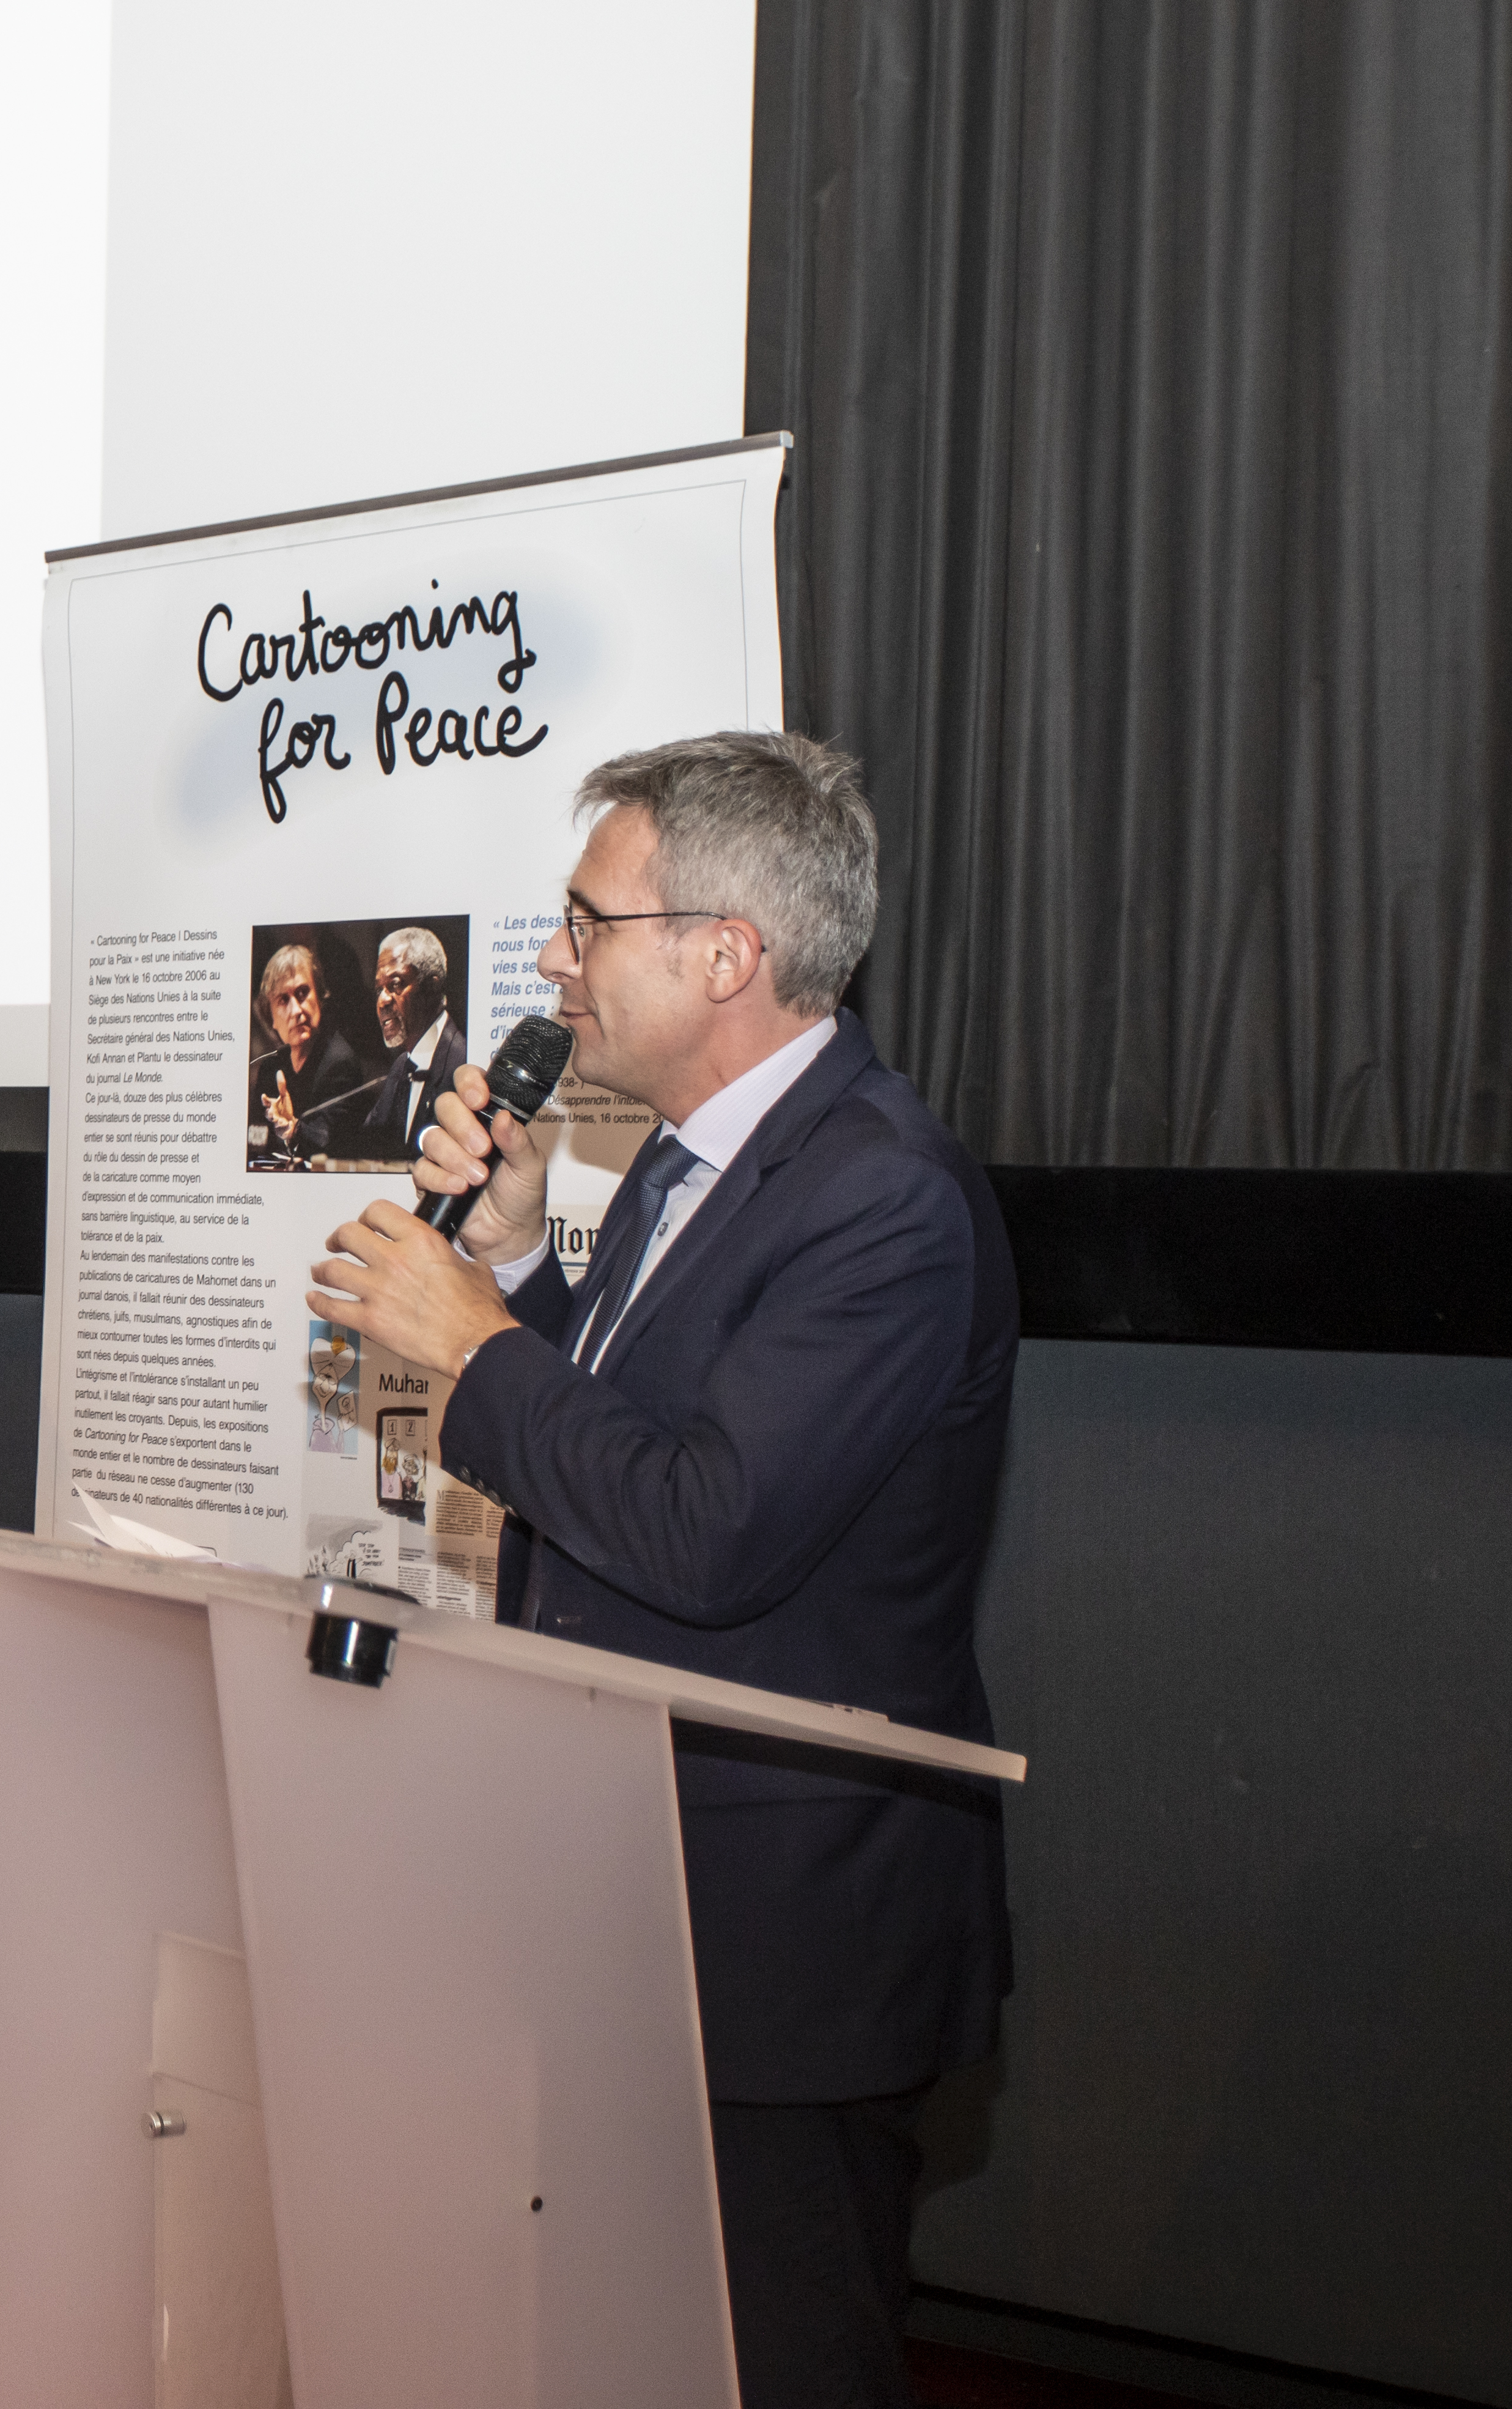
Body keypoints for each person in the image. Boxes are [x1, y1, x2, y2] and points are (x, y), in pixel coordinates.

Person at [305, 731, 1012, 2409]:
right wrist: (519, 1278)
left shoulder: (884, 1202)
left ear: (725, 955)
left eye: (583, 919)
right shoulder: (688, 1161)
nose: (550, 959)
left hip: (783, 1938)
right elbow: (628, 1467)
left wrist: (474, 1349)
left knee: (772, 2367)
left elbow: (710, 1532)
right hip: (620, 1883)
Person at [337, 924, 467, 1166]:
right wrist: (295, 1133)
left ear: (432, 987)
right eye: (379, 989)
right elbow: (365, 1145)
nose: (382, 1000)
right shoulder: (401, 1067)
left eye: (395, 984)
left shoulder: (462, 1063)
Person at [248, 936, 374, 1164]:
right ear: (272, 1018)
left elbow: (328, 1144)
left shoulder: (340, 1063)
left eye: (303, 993)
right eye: (283, 1000)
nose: (296, 1010)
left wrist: (293, 1128)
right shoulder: (270, 1069)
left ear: (320, 997)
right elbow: (254, 1143)